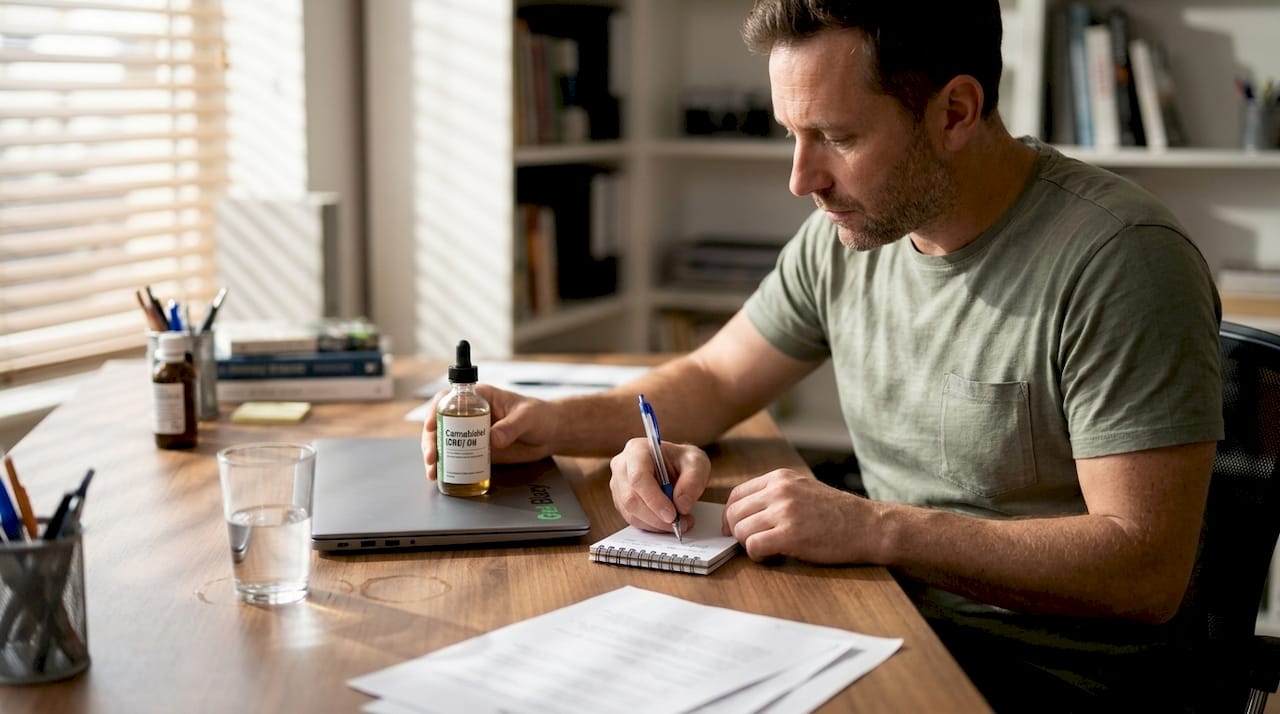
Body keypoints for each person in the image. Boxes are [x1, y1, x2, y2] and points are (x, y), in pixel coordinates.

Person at [423, 1, 1223, 710]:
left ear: (955, 111)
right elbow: (713, 377)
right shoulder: (848, 237)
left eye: (837, 137)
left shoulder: (1121, 259)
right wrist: (546, 423)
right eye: (792, 135)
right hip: (882, 618)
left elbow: (1144, 569)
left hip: (1045, 679)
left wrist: (876, 529)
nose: (801, 178)